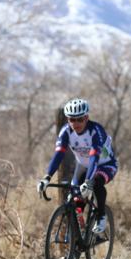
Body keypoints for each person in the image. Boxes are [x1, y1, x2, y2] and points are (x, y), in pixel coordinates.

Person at [37, 98, 118, 233]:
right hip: (83, 166)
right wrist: (47, 177)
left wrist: (88, 182)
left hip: (105, 165)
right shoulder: (66, 132)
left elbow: (94, 157)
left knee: (96, 183)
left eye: (80, 119)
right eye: (72, 119)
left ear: (86, 117)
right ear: (68, 120)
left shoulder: (95, 130)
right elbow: (58, 155)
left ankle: (101, 216)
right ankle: (78, 241)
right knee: (76, 200)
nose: (76, 123)